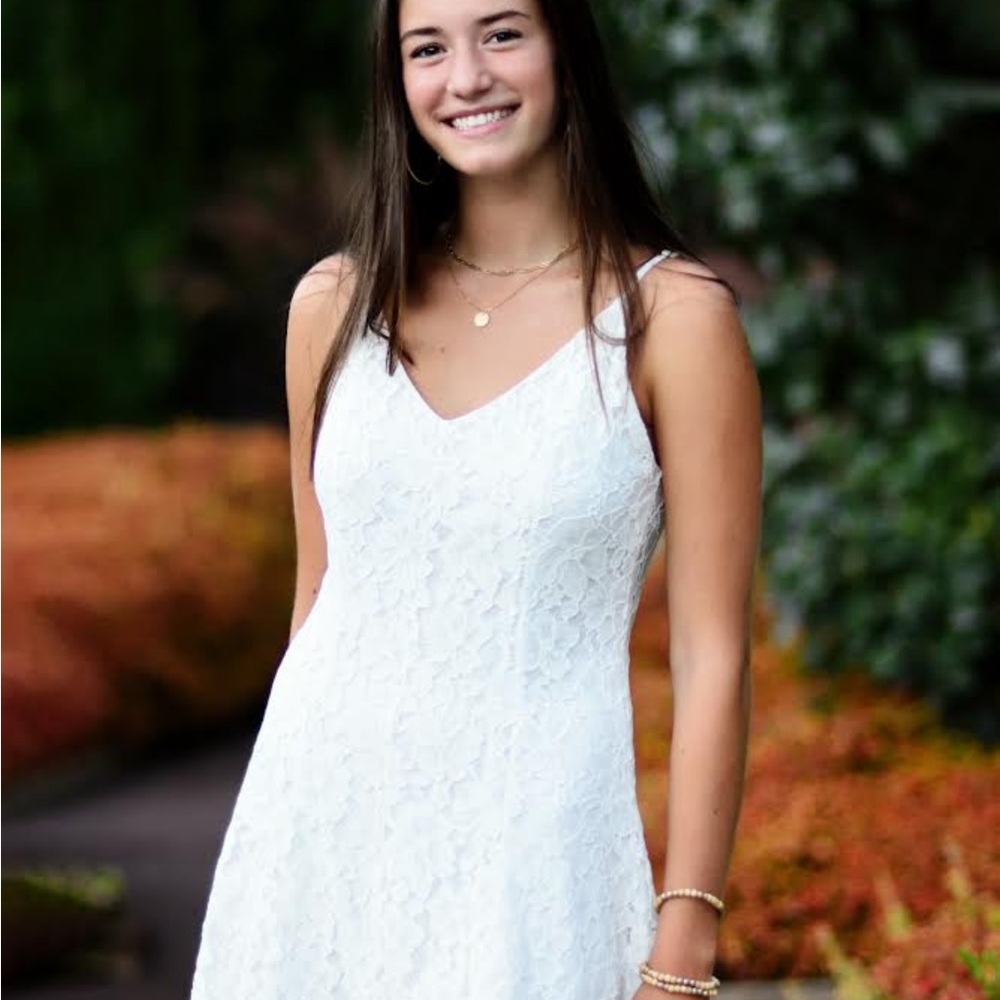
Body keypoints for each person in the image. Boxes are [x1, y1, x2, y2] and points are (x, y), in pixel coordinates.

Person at [189, 0, 761, 997]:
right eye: (426, 48)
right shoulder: (331, 305)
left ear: (565, 51)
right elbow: (319, 598)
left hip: (534, 868)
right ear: (397, 82)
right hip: (312, 856)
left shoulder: (675, 320)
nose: (465, 77)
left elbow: (712, 652)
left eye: (501, 33)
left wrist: (687, 934)